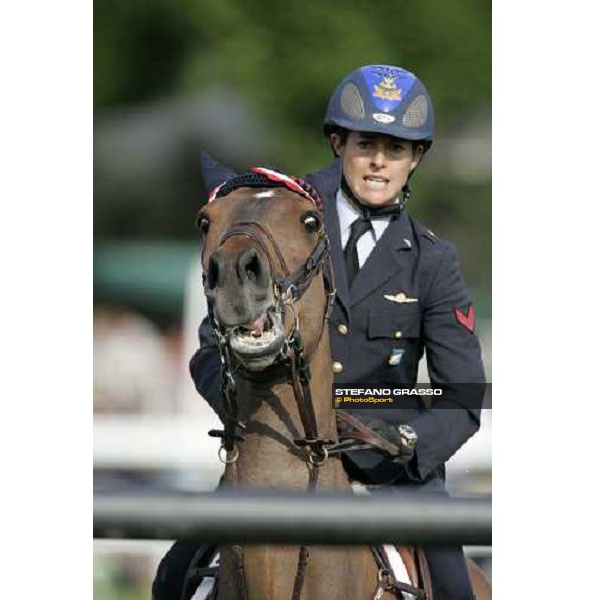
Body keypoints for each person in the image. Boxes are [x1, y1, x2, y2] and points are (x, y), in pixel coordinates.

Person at [153, 64, 486, 600]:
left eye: (396, 148)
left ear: (415, 159)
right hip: (275, 459)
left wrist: (406, 438)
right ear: (339, 142)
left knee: (457, 591)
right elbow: (209, 353)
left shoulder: (433, 261)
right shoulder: (281, 220)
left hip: (392, 476)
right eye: (367, 143)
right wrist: (253, 418)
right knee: (171, 581)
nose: (379, 160)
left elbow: (465, 394)